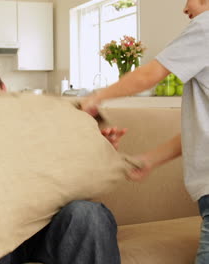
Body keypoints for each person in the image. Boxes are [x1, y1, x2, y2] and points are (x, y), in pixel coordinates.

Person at [0, 60, 125, 264]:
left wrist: (104, 150)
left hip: (55, 229)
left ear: (4, 89)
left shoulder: (45, 118)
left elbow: (86, 168)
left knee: (88, 214)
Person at [80, 0, 209, 263]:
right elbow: (201, 133)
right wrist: (150, 160)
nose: (186, 8)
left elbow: (150, 74)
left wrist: (97, 97)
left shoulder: (205, 27)